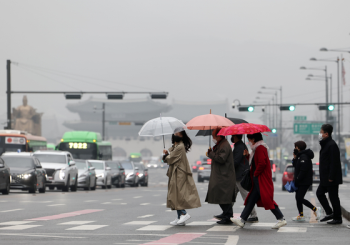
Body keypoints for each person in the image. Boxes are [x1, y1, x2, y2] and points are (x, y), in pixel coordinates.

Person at [231, 133, 287, 229]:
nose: (248, 141)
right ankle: (242, 220)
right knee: (251, 200)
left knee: (267, 199)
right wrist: (247, 155)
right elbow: (254, 162)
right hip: (258, 178)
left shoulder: (260, 148)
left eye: (249, 139)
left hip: (261, 179)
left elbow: (262, 163)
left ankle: (281, 219)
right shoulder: (256, 149)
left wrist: (255, 174)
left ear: (253, 139)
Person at [163, 130, 201, 226]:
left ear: (182, 136)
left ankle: (184, 213)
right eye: (175, 134)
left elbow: (170, 159)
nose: (176, 135)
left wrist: (165, 155)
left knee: (177, 194)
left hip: (179, 174)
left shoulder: (180, 147)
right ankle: (180, 217)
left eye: (178, 134)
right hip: (176, 173)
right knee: (175, 195)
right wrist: (167, 152)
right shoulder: (177, 146)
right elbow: (171, 156)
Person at [206, 128, 236, 225]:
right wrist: (212, 151)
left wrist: (210, 153)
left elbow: (221, 158)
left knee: (223, 196)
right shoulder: (221, 144)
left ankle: (228, 216)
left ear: (219, 136)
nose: (213, 138)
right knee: (221, 195)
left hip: (224, 176)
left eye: (214, 136)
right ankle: (226, 214)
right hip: (221, 175)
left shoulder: (224, 145)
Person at [317, 124, 343, 225]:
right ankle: (330, 212)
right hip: (325, 178)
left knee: (333, 197)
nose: (320, 134)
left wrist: (331, 177)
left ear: (326, 134)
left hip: (330, 178)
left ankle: (337, 218)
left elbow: (334, 162)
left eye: (321, 132)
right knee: (319, 193)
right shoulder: (326, 144)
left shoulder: (332, 145)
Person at [231, 134, 258, 223]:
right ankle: (227, 213)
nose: (231, 137)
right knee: (231, 195)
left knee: (246, 196)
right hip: (237, 175)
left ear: (236, 137)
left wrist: (228, 167)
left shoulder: (240, 147)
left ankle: (253, 215)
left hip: (240, 175)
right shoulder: (238, 146)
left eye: (232, 135)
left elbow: (236, 161)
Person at [292, 141, 321, 222]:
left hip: (304, 182)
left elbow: (303, 170)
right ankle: (301, 215)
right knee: (298, 198)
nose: (294, 149)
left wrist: (297, 179)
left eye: (296, 147)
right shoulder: (299, 156)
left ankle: (315, 209)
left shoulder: (304, 156)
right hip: (300, 181)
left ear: (299, 148)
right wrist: (294, 158)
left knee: (300, 198)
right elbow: (296, 167)